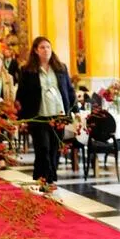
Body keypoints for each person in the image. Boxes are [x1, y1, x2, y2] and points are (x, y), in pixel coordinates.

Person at [16, 36, 76, 190]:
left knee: (55, 148)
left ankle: (48, 177)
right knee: (42, 147)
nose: (46, 50)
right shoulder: (27, 70)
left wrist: (74, 109)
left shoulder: (60, 68)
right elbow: (21, 94)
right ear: (36, 50)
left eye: (48, 47)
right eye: (42, 47)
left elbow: (69, 90)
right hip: (38, 115)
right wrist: (20, 117)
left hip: (58, 114)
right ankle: (45, 179)